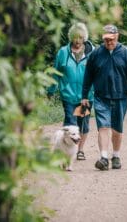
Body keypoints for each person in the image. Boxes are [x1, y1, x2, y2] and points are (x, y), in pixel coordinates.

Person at [81, 24, 127, 170]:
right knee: (103, 127)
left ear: (117, 37)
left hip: (120, 96)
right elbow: (88, 76)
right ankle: (103, 158)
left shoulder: (126, 53)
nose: (109, 42)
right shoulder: (96, 54)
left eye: (111, 39)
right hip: (101, 97)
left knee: (117, 129)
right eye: (106, 40)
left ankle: (115, 155)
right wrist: (84, 95)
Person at [47, 22, 94, 160]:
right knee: (70, 123)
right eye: (74, 37)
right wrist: (51, 90)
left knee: (83, 124)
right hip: (68, 96)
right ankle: (65, 150)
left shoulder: (91, 52)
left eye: (80, 37)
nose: (77, 40)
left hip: (85, 97)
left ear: (84, 37)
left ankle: (80, 150)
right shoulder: (63, 52)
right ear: (70, 37)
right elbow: (56, 73)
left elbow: (97, 73)